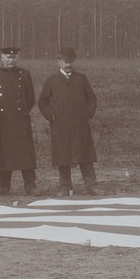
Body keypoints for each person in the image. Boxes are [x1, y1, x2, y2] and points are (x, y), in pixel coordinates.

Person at [37, 47, 98, 196]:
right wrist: (51, 116)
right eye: (65, 62)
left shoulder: (81, 79)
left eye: (71, 61)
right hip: (60, 125)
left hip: (80, 124)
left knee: (85, 154)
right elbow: (43, 101)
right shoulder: (51, 80)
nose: (68, 65)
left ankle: (91, 186)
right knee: (62, 156)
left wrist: (87, 114)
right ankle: (65, 187)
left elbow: (92, 98)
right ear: (58, 62)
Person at [0, 45, 39, 195]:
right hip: (1, 120)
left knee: (25, 153)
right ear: (1, 58)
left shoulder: (24, 74)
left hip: (20, 120)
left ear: (17, 58)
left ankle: (30, 185)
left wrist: (21, 112)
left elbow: (30, 99)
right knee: (3, 152)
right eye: (8, 57)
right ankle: (4, 186)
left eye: (13, 57)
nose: (11, 60)